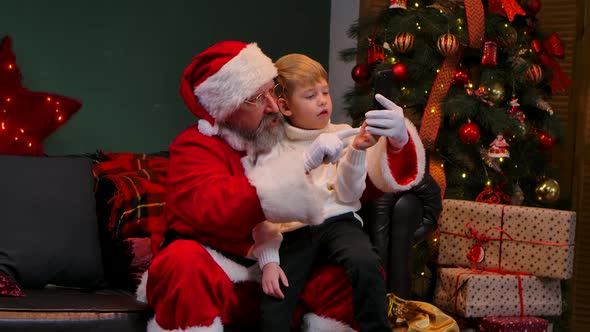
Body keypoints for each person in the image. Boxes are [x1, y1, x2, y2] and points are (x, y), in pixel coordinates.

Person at [141, 40, 425, 332]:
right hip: (222, 276)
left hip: (282, 273)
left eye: (272, 91)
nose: (273, 105)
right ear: (226, 110)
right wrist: (300, 168)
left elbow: (355, 186)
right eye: (257, 98)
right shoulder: (195, 147)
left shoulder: (278, 132)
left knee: (349, 272)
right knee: (181, 263)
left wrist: (396, 142)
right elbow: (215, 205)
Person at [245, 53, 393, 332]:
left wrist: (358, 152)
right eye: (311, 95)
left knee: (365, 262)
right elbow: (262, 209)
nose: (323, 100)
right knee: (274, 302)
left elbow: (349, 196)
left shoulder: (344, 133)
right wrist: (268, 262)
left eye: (325, 92)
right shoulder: (270, 145)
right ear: (286, 107)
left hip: (339, 222)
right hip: (293, 232)